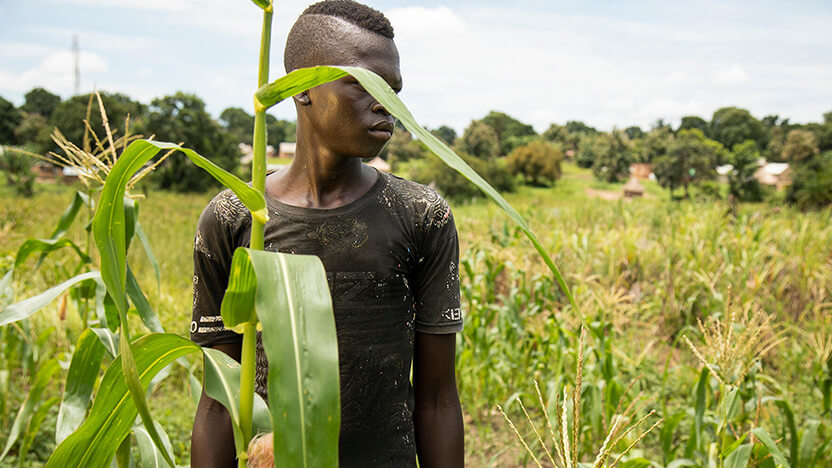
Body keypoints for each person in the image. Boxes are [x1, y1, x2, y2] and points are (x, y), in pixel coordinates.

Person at [189, 1, 464, 466]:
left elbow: (437, 400)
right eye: (364, 83)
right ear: (302, 89)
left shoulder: (421, 215)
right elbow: (218, 404)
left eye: (393, 90)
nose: (386, 103)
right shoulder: (235, 218)